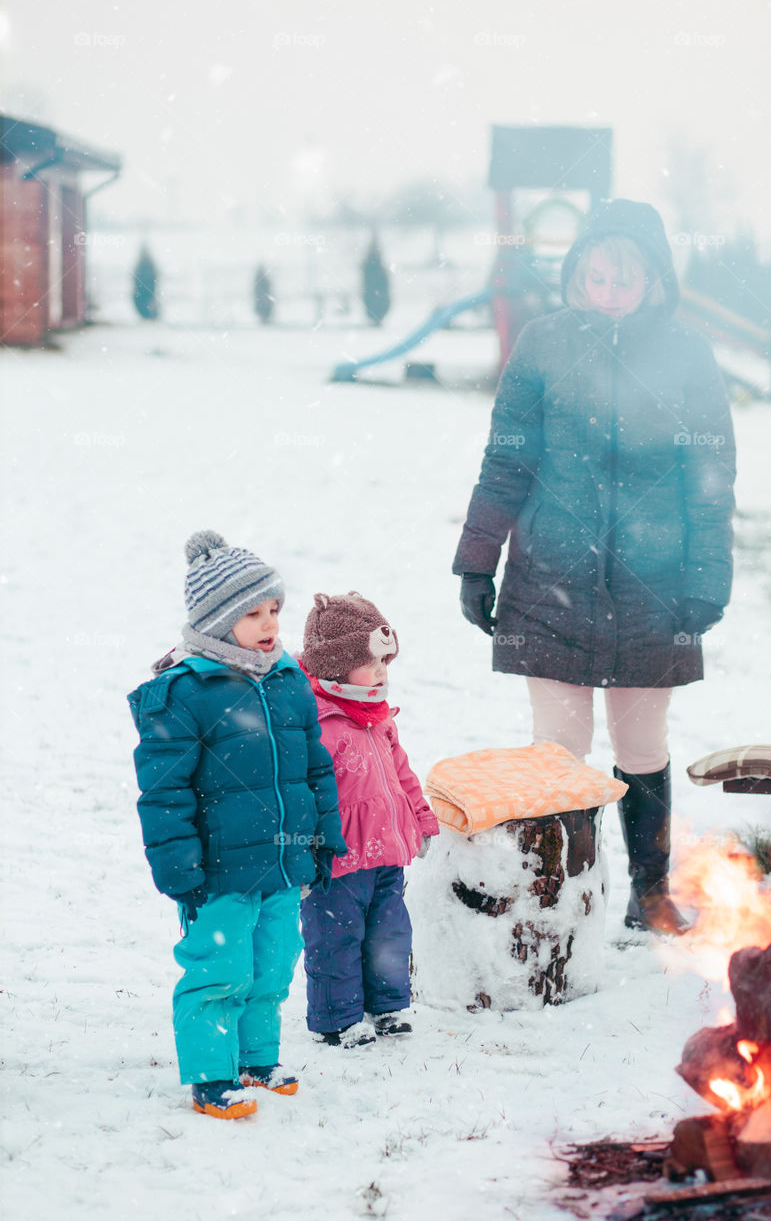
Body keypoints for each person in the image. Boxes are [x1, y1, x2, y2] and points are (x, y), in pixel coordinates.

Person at [453, 199, 736, 936]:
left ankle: (649, 899)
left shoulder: (686, 354)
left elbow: (710, 471)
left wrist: (708, 576)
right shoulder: (542, 344)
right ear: (576, 272)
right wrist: (477, 563)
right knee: (558, 749)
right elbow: (506, 459)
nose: (608, 290)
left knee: (641, 746)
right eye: (596, 275)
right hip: (550, 578)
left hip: (655, 588)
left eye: (624, 278)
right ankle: (561, 899)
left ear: (652, 280)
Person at [128, 530, 347, 1118]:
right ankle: (210, 1075)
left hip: (281, 860)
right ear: (219, 620)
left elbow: (314, 767)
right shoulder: (183, 692)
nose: (269, 621)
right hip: (218, 870)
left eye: (274, 608)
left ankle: (257, 1061)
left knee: (273, 966)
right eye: (252, 613)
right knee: (219, 970)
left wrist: (323, 835)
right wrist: (179, 867)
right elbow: (163, 792)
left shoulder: (286, 680)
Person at [299, 592, 440, 1047]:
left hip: (386, 852)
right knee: (335, 937)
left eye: (386, 662)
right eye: (372, 662)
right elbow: (299, 793)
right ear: (337, 666)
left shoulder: (377, 718)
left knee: (389, 932)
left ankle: (387, 1007)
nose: (381, 672)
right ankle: (339, 1017)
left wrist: (419, 817)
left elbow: (401, 774)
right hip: (337, 859)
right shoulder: (317, 724)